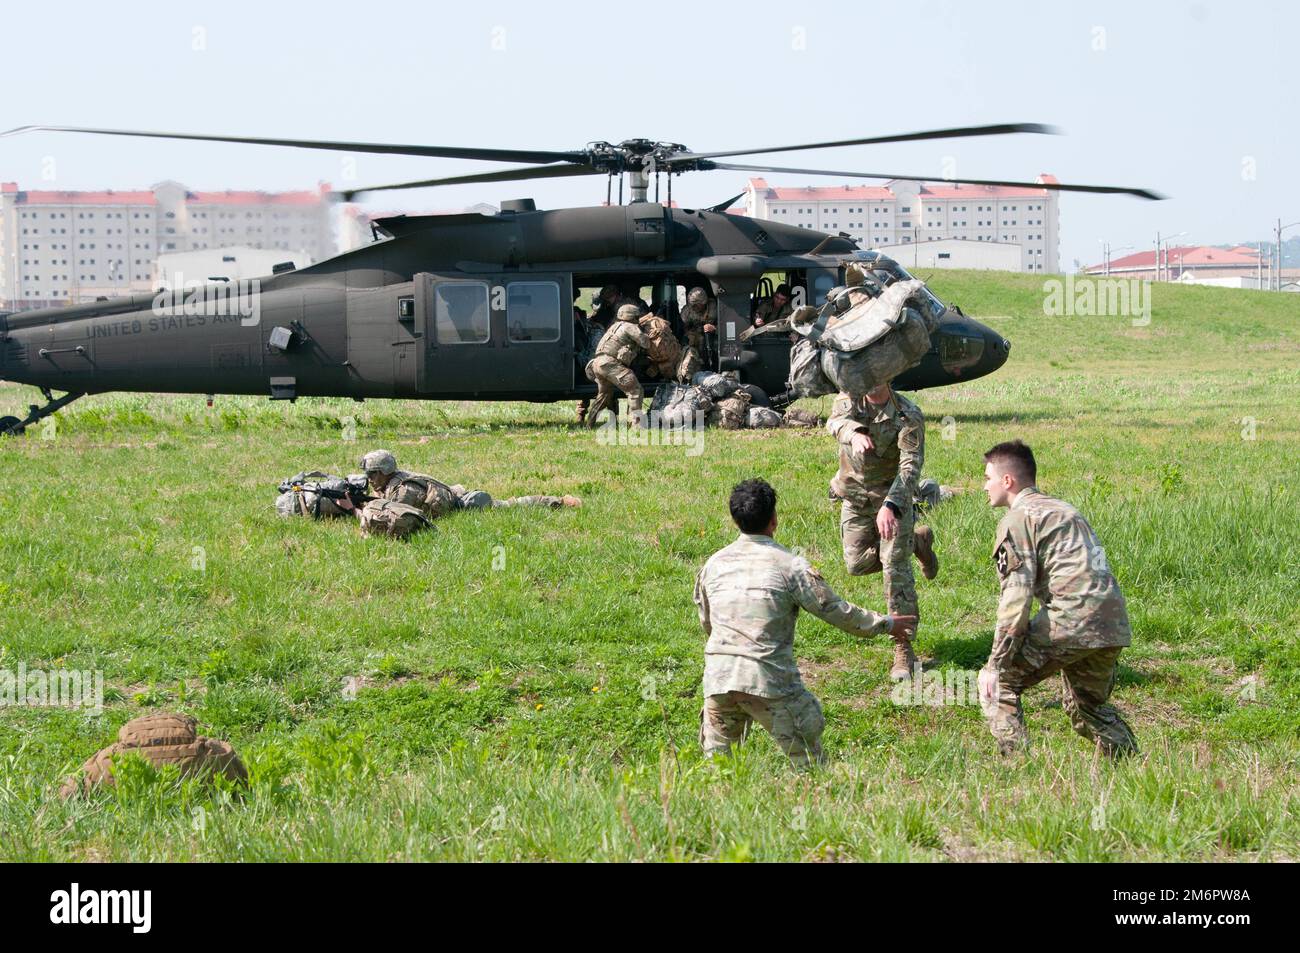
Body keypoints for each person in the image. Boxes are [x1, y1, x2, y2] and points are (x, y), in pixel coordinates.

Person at [695, 478, 915, 768]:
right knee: (810, 767)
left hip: (719, 680)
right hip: (769, 681)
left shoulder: (713, 565)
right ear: (774, 520)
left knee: (718, 771)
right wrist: (885, 623)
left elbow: (707, 621)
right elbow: (836, 611)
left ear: (735, 520)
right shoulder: (790, 565)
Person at [978, 440, 1138, 759]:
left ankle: (1016, 770)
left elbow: (1016, 599)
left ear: (1007, 481)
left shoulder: (1017, 520)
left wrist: (994, 665)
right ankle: (1135, 768)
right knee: (1087, 709)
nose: (984, 486)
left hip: (1071, 617)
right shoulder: (1064, 509)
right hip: (1112, 622)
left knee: (999, 688)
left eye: (987, 478)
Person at [826, 382, 938, 681]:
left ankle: (903, 649)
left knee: (894, 566)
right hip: (854, 496)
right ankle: (917, 543)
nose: (871, 381)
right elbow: (834, 422)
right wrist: (854, 432)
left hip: (893, 500)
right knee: (856, 563)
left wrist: (891, 504)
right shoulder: (849, 400)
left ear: (889, 376)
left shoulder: (908, 415)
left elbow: (910, 468)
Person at [359, 450, 580, 513]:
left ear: (385, 472)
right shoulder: (392, 482)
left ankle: (556, 501)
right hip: (454, 495)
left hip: (463, 504)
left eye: (373, 474)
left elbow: (398, 520)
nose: (370, 480)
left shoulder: (403, 490)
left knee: (508, 505)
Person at [584, 303, 649, 427]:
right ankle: (637, 425)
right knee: (635, 390)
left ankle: (589, 424)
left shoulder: (615, 326)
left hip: (598, 363)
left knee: (604, 395)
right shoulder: (630, 326)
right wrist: (646, 332)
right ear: (633, 316)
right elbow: (645, 343)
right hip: (610, 364)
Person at [681, 287, 716, 352]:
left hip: (711, 338)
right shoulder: (687, 311)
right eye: (691, 305)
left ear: (703, 303)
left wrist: (714, 328)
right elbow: (682, 328)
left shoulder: (714, 309)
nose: (693, 308)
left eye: (696, 305)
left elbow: (724, 327)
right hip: (694, 337)